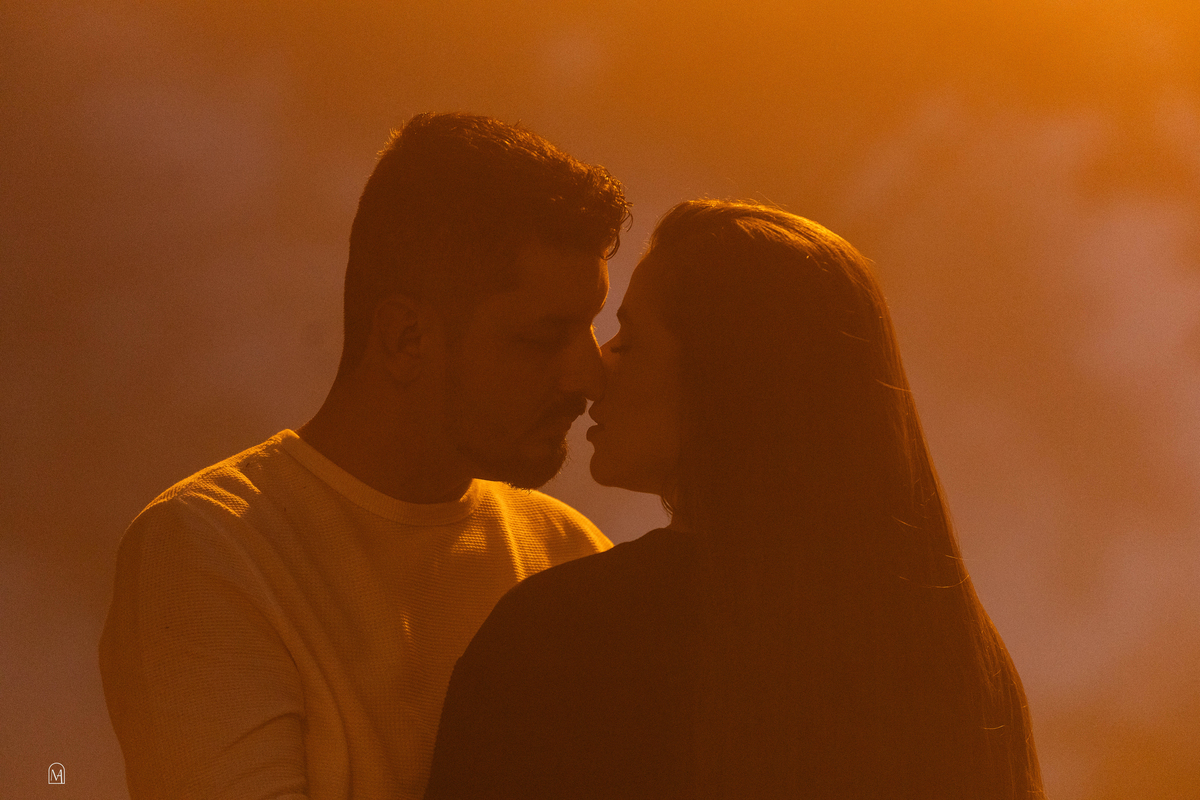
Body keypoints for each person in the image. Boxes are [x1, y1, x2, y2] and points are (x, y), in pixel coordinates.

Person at [424, 200, 1047, 799]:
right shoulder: (961, 665)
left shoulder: (567, 639)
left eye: (629, 340)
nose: (597, 369)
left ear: (722, 373)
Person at [99, 113, 630, 800]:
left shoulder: (567, 552)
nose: (587, 375)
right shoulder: (207, 551)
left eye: (593, 326)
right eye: (543, 337)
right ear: (406, 337)